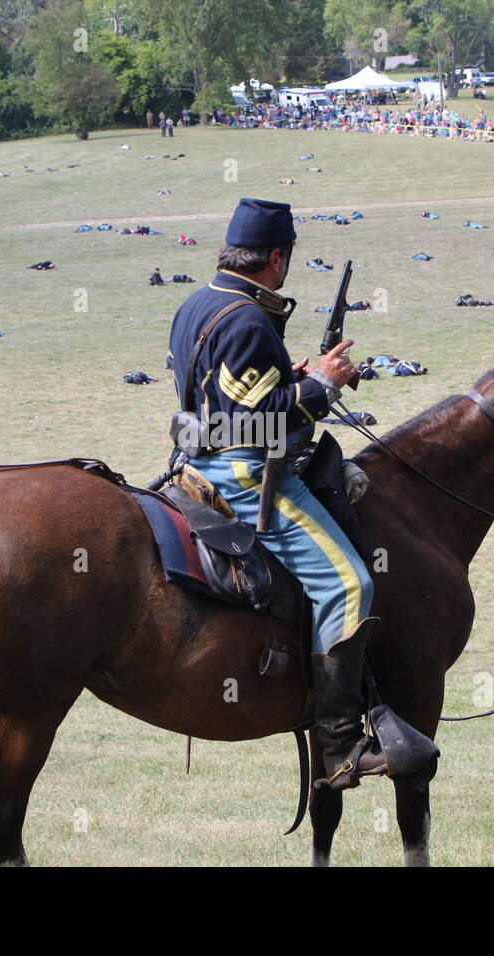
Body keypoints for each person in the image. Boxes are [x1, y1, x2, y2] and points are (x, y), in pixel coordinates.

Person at [167, 198, 402, 790]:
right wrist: (321, 387)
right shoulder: (247, 319)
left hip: (195, 455)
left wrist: (290, 378)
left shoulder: (198, 303)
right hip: (243, 474)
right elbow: (257, 424)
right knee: (351, 582)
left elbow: (222, 399)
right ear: (276, 258)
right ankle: (341, 741)